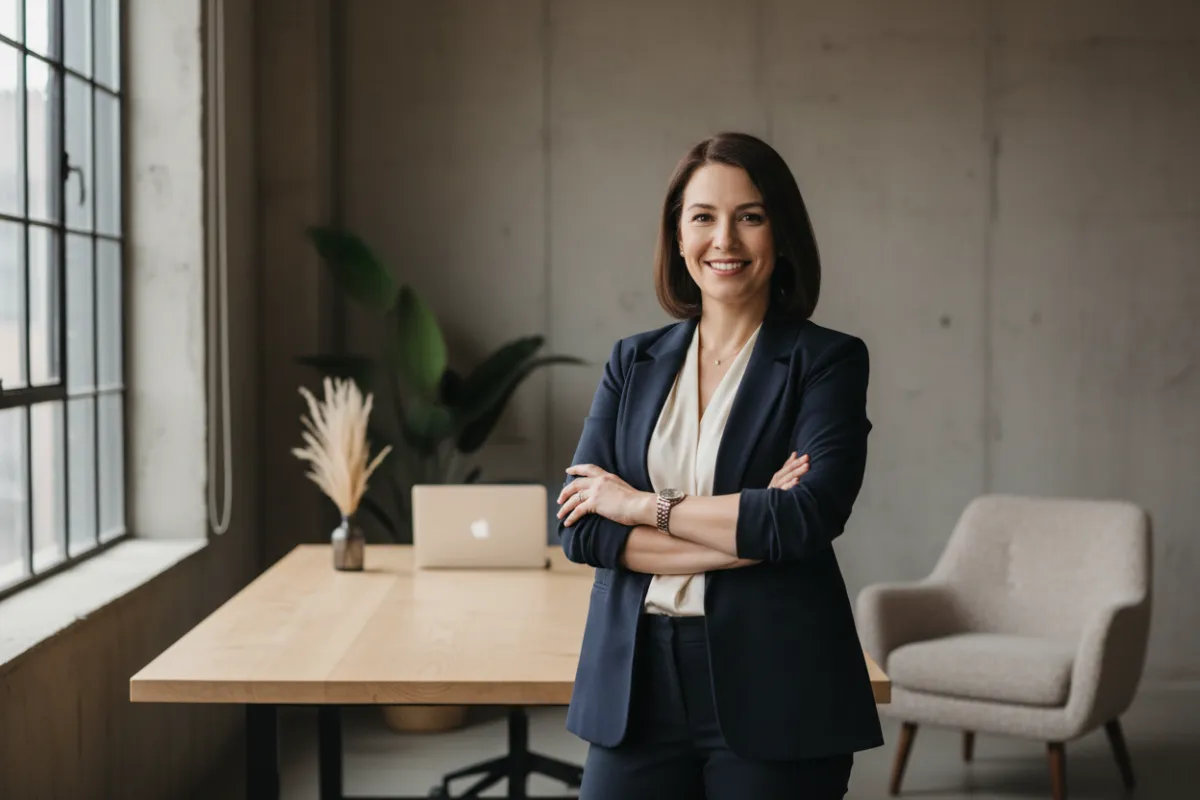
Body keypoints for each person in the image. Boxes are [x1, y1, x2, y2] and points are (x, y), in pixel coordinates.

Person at [554, 132, 883, 799]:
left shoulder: (827, 362)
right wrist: (747, 533)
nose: (724, 239)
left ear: (782, 235)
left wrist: (643, 507)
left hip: (780, 684)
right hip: (635, 683)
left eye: (750, 216)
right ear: (678, 238)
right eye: (703, 216)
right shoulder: (632, 362)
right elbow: (583, 530)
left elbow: (806, 518)